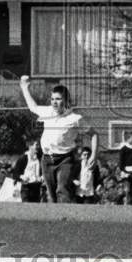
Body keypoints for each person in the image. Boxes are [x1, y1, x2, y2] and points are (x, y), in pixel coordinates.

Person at [19, 75, 87, 204]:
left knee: (62, 190)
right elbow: (33, 107)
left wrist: (93, 155)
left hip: (65, 159)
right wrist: (24, 88)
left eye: (58, 99)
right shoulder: (48, 112)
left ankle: (65, 220)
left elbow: (93, 134)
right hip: (47, 159)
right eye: (52, 99)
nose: (54, 102)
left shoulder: (75, 118)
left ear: (66, 100)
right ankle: (57, 221)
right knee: (52, 195)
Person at [73, 138, 102, 204]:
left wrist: (99, 185)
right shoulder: (77, 166)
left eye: (88, 154)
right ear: (81, 156)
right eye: (84, 154)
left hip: (89, 191)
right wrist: (74, 181)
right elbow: (71, 176)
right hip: (79, 191)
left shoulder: (94, 166)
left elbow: (98, 177)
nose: (86, 156)